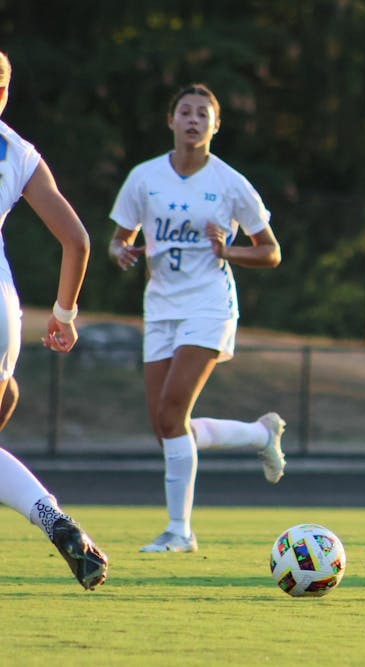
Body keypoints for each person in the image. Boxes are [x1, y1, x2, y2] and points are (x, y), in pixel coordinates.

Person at [109, 83, 285, 554]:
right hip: (160, 307)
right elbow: (119, 238)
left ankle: (179, 531)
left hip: (208, 303)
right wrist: (120, 251)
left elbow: (271, 252)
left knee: (172, 415)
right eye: (185, 112)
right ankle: (260, 434)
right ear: (170, 121)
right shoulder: (144, 178)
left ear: (215, 125)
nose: (193, 120)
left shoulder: (229, 182)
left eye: (202, 114)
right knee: (166, 424)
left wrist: (228, 250)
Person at [0, 51, 108, 589]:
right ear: (2, 96)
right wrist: (64, 314)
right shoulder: (19, 151)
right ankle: (54, 520)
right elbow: (78, 241)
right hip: (3, 313)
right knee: (7, 397)